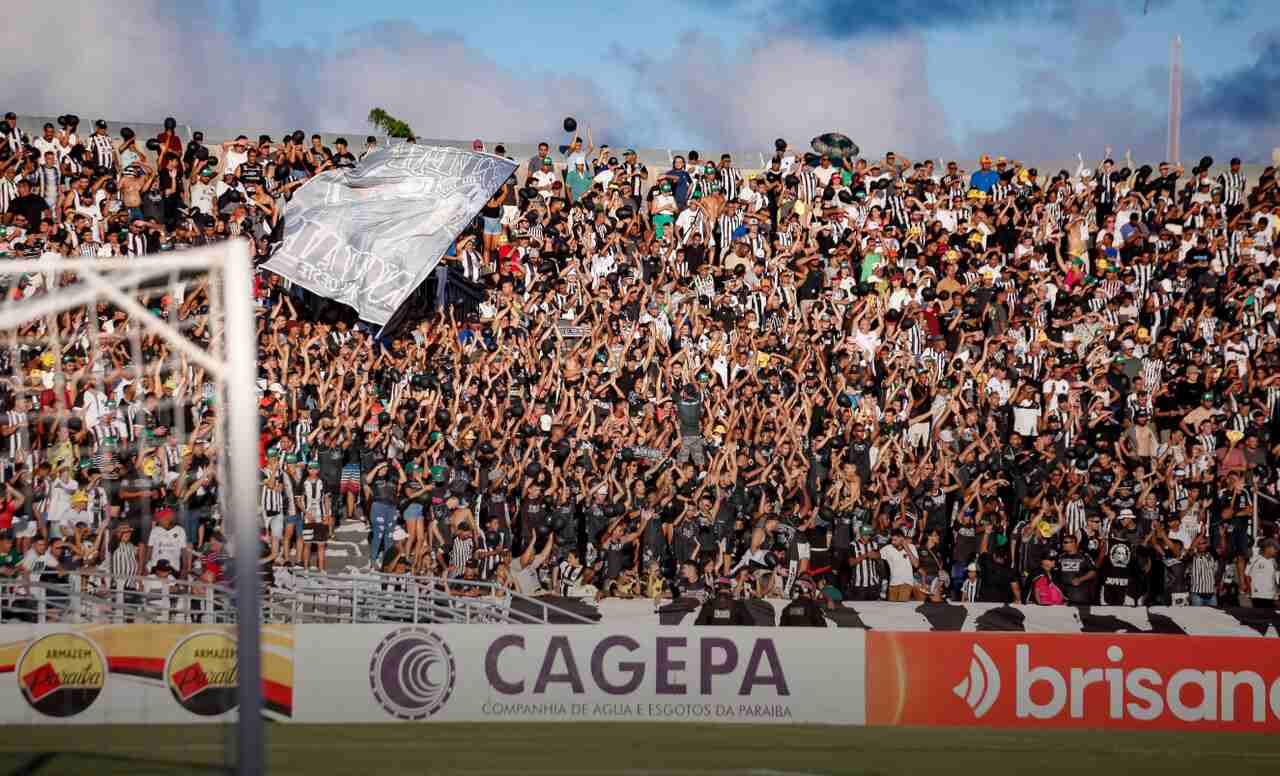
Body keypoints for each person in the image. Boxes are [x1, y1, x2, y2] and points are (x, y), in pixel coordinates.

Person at [1244, 540, 1278, 609]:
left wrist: (1276, 594)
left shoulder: (1274, 562)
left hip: (1271, 596)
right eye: (1275, 548)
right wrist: (1249, 590)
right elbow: (1247, 575)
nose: (1276, 551)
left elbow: (1275, 579)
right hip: (1258, 596)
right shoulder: (1254, 559)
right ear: (1268, 548)